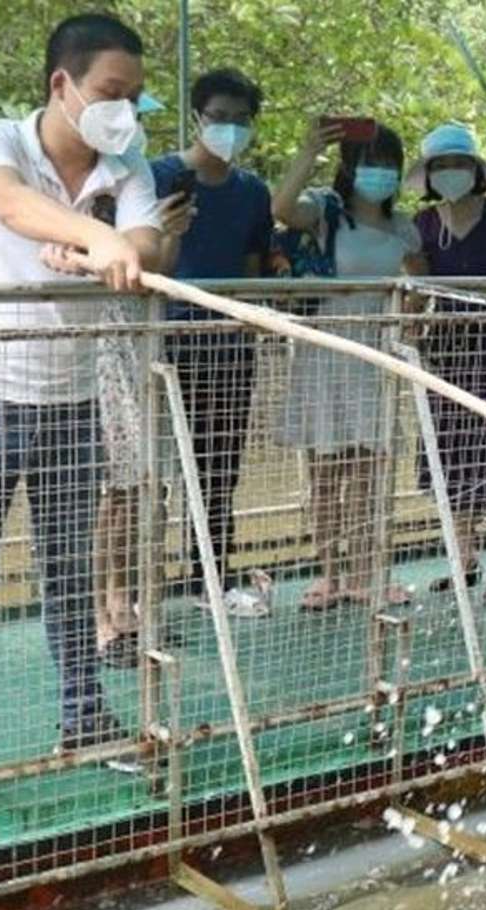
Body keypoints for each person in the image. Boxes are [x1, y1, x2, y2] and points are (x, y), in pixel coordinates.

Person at [0, 12, 187, 774]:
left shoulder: (127, 162)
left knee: (69, 568)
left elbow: (146, 241)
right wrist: (91, 236)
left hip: (72, 397)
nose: (127, 110)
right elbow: (4, 200)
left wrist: (108, 243)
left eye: (136, 97)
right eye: (113, 91)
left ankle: (84, 718)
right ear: (62, 85)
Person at [272, 118, 423, 611]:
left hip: (373, 353)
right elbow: (281, 209)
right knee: (326, 470)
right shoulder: (326, 210)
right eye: (369, 162)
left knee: (368, 472)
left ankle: (365, 572)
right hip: (324, 351)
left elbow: (421, 281)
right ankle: (328, 575)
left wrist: (413, 320)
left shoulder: (403, 227)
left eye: (387, 164)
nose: (378, 172)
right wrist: (308, 150)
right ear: (350, 167)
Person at [147, 68, 275, 614]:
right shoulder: (158, 175)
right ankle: (137, 594)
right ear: (198, 116)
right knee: (150, 473)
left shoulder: (252, 192)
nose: (229, 129)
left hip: (228, 345)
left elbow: (252, 268)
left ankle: (212, 579)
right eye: (219, 117)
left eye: (241, 121)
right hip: (165, 341)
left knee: (219, 466)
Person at [406, 124, 486, 595]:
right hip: (448, 352)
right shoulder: (423, 225)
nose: (451, 173)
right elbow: (416, 288)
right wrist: (408, 326)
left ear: (476, 170)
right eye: (441, 166)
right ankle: (464, 557)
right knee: (452, 454)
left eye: (459, 164)